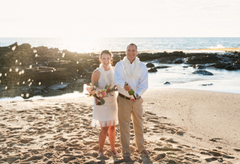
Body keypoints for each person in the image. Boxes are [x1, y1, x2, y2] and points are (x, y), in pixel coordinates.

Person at [114, 43, 149, 161]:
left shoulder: (142, 67)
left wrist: (136, 95)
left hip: (137, 100)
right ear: (125, 52)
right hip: (124, 99)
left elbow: (144, 84)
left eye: (133, 50)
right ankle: (126, 152)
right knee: (124, 126)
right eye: (129, 50)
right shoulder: (119, 65)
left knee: (139, 124)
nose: (131, 52)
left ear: (137, 52)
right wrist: (125, 87)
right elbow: (118, 80)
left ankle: (141, 147)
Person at [91, 50, 118, 157]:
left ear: (111, 59)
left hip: (112, 101)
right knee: (104, 128)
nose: (106, 61)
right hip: (101, 103)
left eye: (108, 58)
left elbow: (118, 83)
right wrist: (98, 96)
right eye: (104, 58)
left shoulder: (115, 70)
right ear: (100, 59)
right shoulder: (96, 72)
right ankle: (101, 150)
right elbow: (93, 89)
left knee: (112, 127)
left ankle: (112, 148)